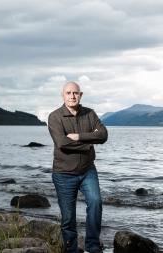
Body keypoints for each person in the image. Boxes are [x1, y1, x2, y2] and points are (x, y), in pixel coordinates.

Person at [48, 81, 108, 253]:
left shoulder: (89, 114)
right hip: (63, 174)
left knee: (96, 202)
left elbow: (103, 135)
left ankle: (93, 247)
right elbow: (62, 143)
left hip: (87, 170)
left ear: (81, 95)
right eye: (68, 93)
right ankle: (71, 250)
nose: (72, 96)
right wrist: (89, 142)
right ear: (63, 95)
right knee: (68, 218)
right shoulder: (55, 117)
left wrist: (79, 136)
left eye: (75, 93)